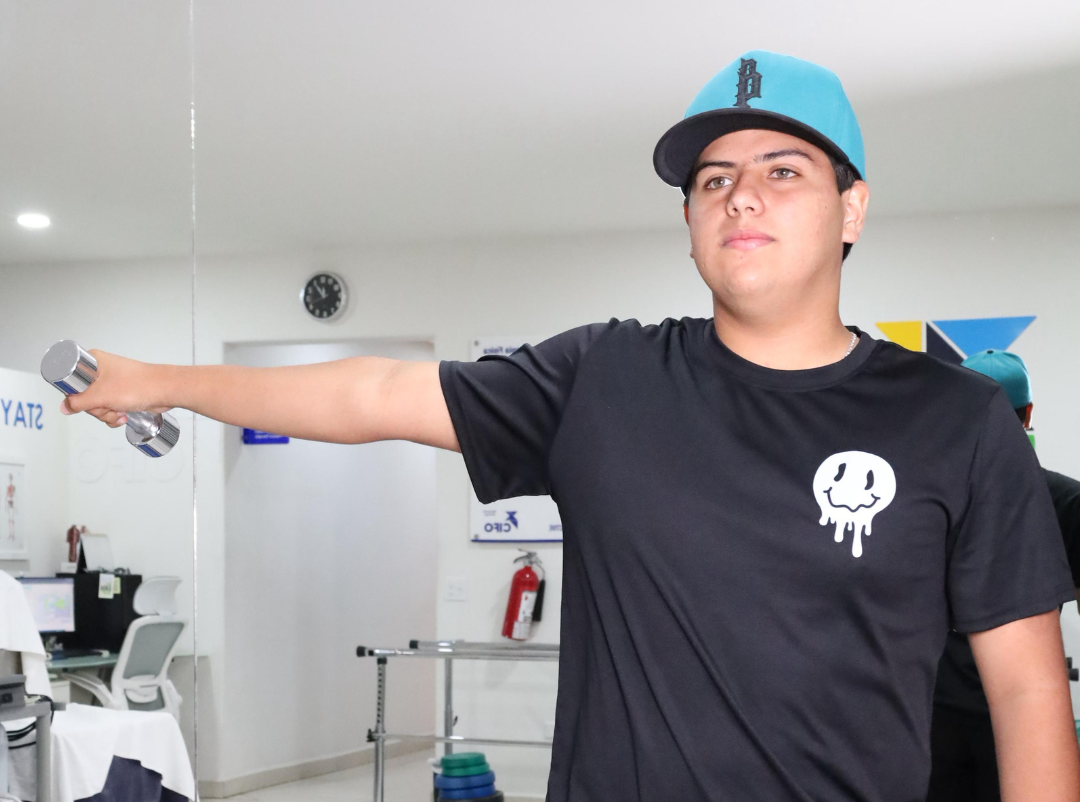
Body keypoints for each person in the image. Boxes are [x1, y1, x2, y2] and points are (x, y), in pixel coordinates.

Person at [58, 50, 1080, 801]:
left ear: (851, 208)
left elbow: (1029, 692)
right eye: (713, 180)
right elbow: (375, 393)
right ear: (689, 223)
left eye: (782, 170)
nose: (741, 197)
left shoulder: (954, 421)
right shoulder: (603, 377)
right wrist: (160, 381)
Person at [929, 348, 1080, 802]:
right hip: (1028, 719)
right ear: (1028, 412)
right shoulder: (1068, 500)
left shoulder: (924, 505)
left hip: (933, 716)